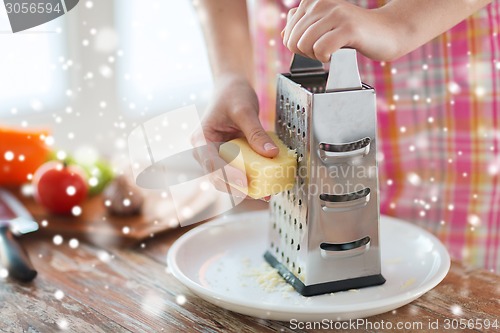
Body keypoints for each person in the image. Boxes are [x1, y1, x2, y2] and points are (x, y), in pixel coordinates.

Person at [192, 0, 499, 272]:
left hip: (442, 65)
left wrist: (398, 22)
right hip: (297, 46)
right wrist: (230, 75)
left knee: (460, 286)